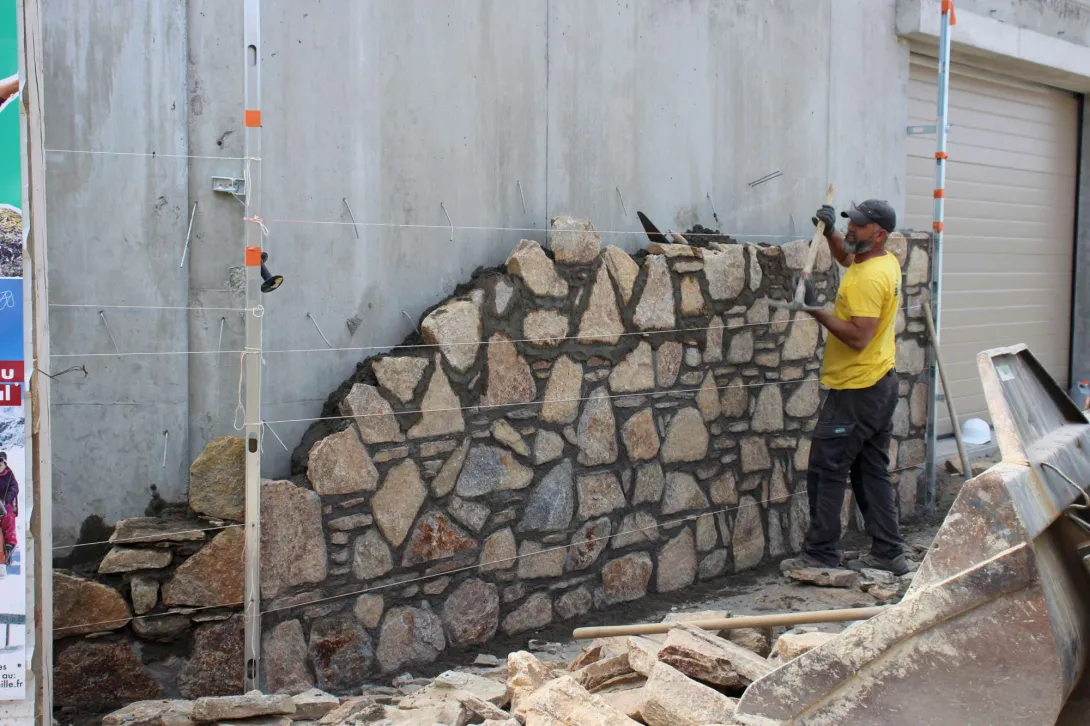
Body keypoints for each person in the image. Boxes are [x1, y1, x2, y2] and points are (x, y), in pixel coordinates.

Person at [780, 199, 912, 576]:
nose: (852, 227)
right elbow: (846, 257)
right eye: (850, 221)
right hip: (878, 385)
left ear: (880, 234)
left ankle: (819, 554)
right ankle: (888, 551)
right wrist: (832, 232)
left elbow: (858, 337)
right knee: (871, 470)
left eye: (859, 224)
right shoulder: (876, 260)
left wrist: (813, 308)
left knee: (827, 468)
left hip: (858, 389)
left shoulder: (871, 279)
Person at [0, 451, 17, 568]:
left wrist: (7, 498)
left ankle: (10, 543)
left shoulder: (9, 475)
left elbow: (15, 488)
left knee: (9, 516)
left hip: (4, 503)